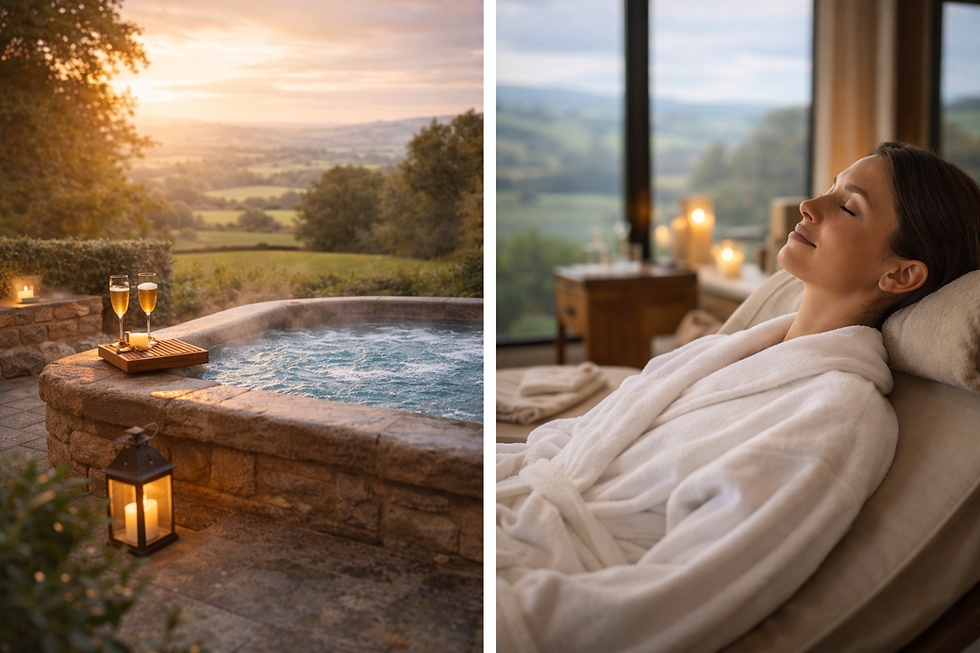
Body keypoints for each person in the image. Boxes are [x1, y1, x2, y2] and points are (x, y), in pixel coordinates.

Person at [496, 142, 980, 653]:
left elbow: (675, 596)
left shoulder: (838, 415)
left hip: (549, 578)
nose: (809, 205)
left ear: (900, 274)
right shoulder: (725, 351)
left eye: (847, 206)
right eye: (830, 188)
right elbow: (580, 440)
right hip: (522, 514)